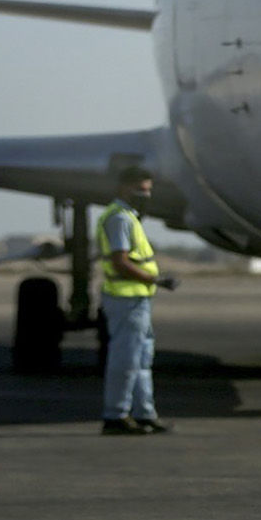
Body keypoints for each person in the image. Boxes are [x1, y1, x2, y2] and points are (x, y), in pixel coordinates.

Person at [97, 166, 180, 436]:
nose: (146, 195)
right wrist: (155, 280)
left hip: (138, 299)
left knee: (142, 360)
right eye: (141, 190)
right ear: (124, 187)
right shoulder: (120, 219)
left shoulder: (129, 217)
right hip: (126, 300)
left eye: (148, 190)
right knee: (126, 360)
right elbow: (120, 262)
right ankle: (115, 416)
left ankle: (145, 414)